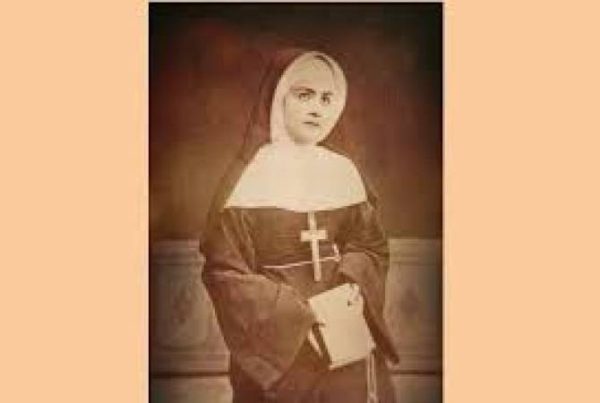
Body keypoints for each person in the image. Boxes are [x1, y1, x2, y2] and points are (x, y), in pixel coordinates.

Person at [201, 48, 399, 403]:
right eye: (304, 95)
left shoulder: (343, 170)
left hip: (344, 329)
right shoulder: (248, 176)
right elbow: (225, 272)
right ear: (279, 98)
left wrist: (355, 284)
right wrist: (297, 315)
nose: (317, 108)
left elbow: (370, 245)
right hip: (280, 342)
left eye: (326, 98)